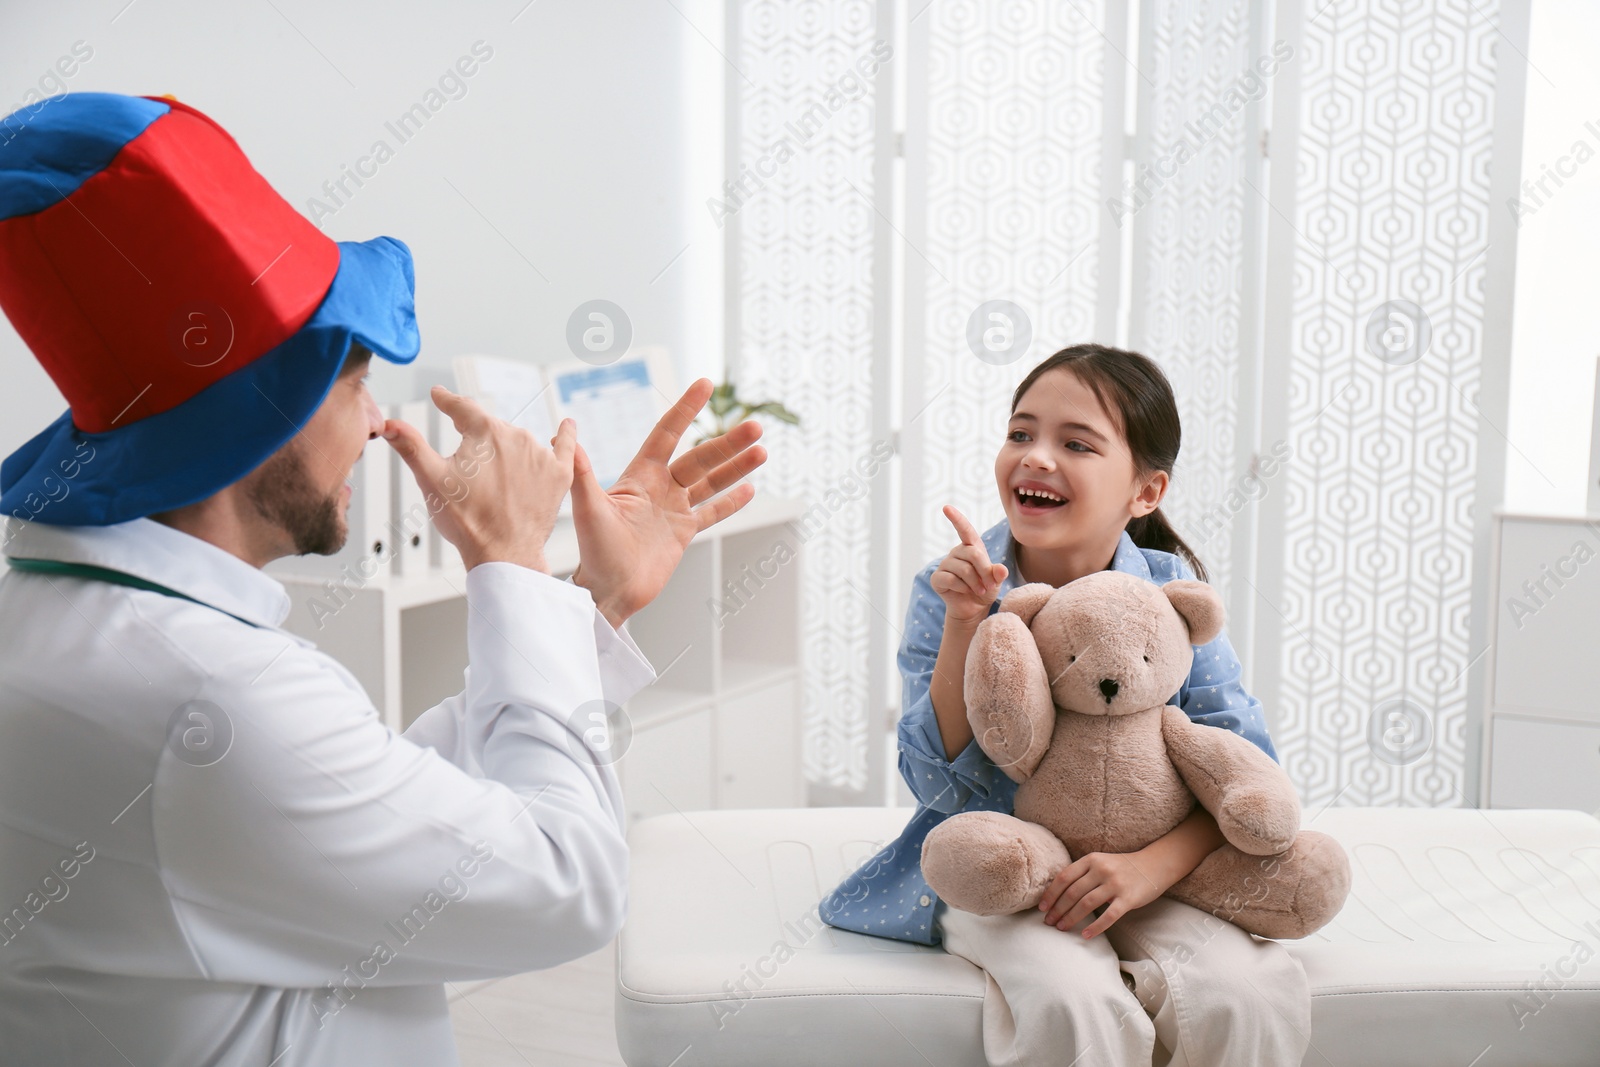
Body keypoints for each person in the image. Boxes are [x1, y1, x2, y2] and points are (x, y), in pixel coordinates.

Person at [0, 92, 764, 1066]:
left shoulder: (77, 626)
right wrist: (511, 563)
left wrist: (584, 605)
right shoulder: (214, 699)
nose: (372, 422)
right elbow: (566, 881)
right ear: (262, 406)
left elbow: (377, 811)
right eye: (356, 377)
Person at [821, 344, 1310, 1065]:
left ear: (1145, 492)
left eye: (1075, 443)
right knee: (1073, 998)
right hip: (1008, 871)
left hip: (1151, 870)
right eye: (1021, 433)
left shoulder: (1173, 597)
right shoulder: (948, 587)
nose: (1036, 456)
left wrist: (1149, 868)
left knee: (1244, 991)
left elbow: (1248, 771)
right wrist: (964, 622)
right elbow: (937, 787)